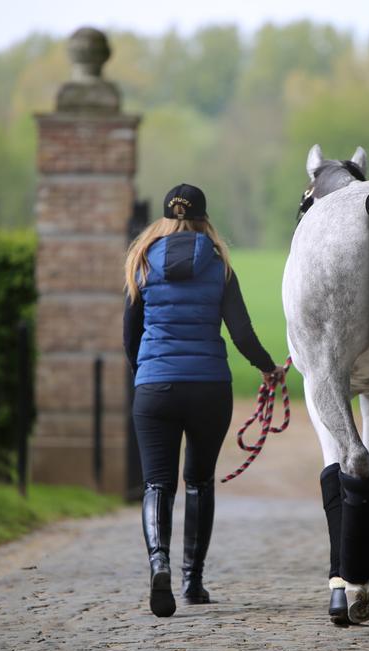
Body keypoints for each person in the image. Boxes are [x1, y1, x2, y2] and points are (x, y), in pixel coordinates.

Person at [123, 183, 284, 618]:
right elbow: (242, 333)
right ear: (204, 218)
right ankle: (192, 582)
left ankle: (160, 564)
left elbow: (129, 334)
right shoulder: (218, 266)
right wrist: (269, 368)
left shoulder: (142, 261)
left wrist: (148, 375)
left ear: (165, 218)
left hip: (155, 388)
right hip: (209, 387)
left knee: (157, 483)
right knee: (198, 480)